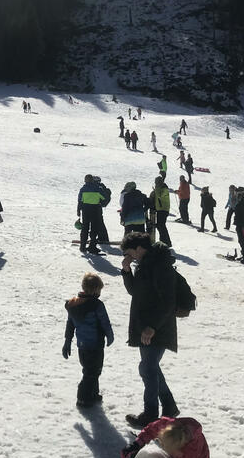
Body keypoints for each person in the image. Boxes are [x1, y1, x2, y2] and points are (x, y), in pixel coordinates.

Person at [121, 233, 179, 428]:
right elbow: (135, 291)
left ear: (139, 248)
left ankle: (151, 414)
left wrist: (152, 327)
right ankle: (169, 407)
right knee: (151, 367)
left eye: (129, 253)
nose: (129, 256)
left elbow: (168, 301)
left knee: (147, 368)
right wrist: (127, 270)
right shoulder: (145, 263)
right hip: (146, 326)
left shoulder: (160, 265)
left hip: (158, 327)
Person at [63, 272, 114, 408]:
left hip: (82, 345)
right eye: (99, 290)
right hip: (95, 344)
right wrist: (110, 335)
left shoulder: (73, 304)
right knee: (92, 372)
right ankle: (83, 398)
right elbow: (105, 322)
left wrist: (67, 341)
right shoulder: (97, 305)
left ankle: (93, 394)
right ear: (95, 290)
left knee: (90, 370)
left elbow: (70, 324)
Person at [77, 174, 104, 253]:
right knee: (94, 229)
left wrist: (78, 210)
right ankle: (92, 246)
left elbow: (79, 200)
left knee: (85, 228)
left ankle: (82, 247)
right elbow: (103, 198)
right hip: (95, 210)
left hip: (85, 211)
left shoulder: (83, 189)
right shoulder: (97, 188)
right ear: (92, 180)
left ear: (85, 180)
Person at [150, 177, 172, 246]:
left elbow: (160, 196)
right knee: (161, 226)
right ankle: (165, 241)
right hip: (160, 209)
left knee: (161, 225)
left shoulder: (164, 189)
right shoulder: (160, 188)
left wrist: (155, 190)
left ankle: (165, 242)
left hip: (163, 209)